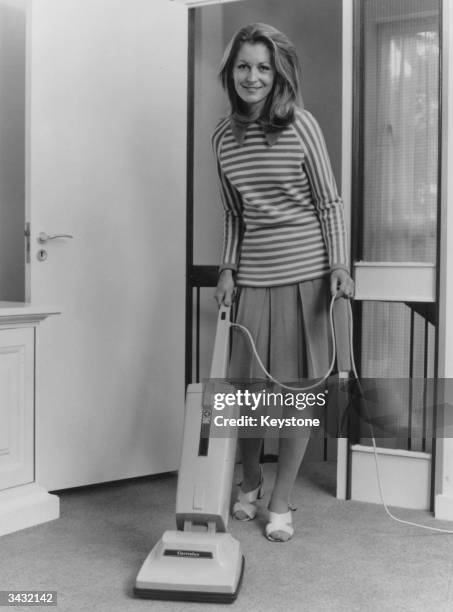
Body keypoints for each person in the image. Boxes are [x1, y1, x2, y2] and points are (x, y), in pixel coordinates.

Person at [212, 23, 354, 542]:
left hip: (306, 279)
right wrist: (227, 269)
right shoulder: (223, 139)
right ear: (232, 72)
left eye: (264, 67)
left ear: (278, 74)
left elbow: (328, 203)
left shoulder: (302, 127)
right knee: (246, 394)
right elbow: (233, 215)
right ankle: (249, 482)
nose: (253, 76)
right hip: (253, 278)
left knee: (297, 394)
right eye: (244, 66)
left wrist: (338, 264)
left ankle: (281, 499)